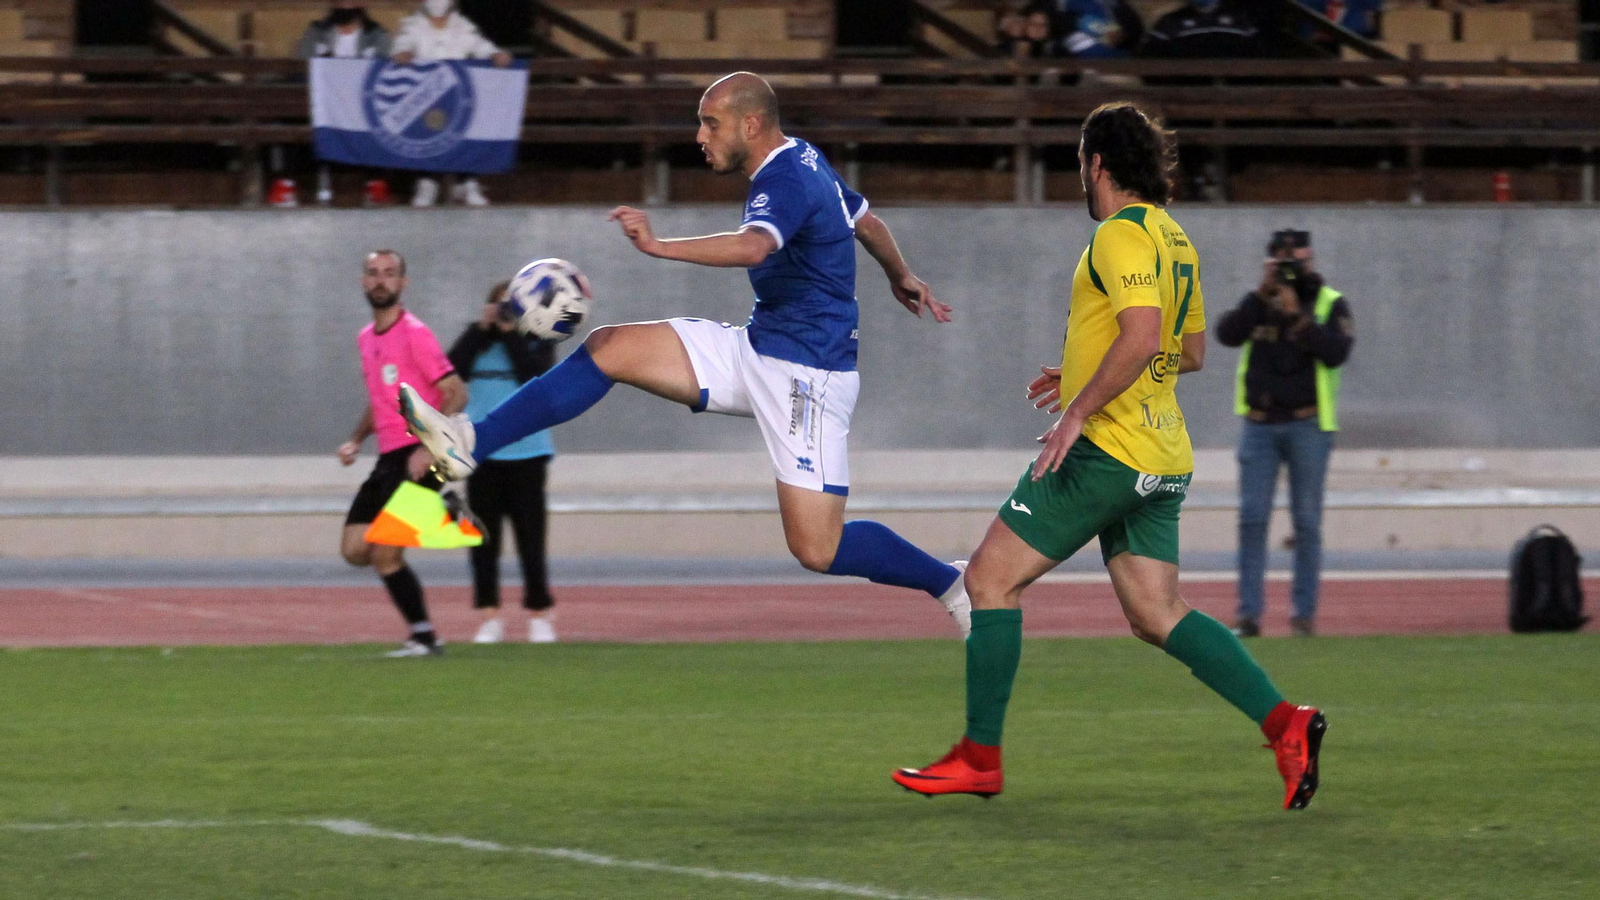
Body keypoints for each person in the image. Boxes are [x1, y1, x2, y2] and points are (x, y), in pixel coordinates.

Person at [397, 71, 975, 639]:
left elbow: (754, 248)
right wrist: (902, 274)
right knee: (608, 348)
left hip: (807, 377)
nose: (700, 136)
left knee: (818, 549)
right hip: (759, 347)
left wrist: (657, 245)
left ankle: (950, 585)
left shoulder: (786, 179)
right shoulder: (802, 156)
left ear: (752, 124)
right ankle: (471, 442)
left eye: (710, 123)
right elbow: (864, 219)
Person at [889, 102, 1327, 811]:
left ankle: (979, 756)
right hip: (1161, 454)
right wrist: (1083, 367)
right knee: (1158, 614)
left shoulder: (1119, 238)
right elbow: (1187, 351)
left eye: (1079, 163)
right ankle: (1287, 724)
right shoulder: (1174, 239)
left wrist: (1079, 410)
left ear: (1097, 163)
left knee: (989, 582)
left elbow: (1143, 335)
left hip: (1108, 451)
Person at [1215, 229, 1354, 638]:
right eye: (1284, 262)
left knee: (1307, 522)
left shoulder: (1329, 302)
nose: (1292, 270)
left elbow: (1336, 352)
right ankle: (1248, 614)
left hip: (1308, 424)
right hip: (1259, 425)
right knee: (1252, 518)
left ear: (1311, 260)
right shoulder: (1258, 303)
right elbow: (1227, 334)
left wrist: (1297, 317)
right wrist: (1262, 294)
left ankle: (1303, 616)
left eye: (1299, 261)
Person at [337, 249, 468, 657]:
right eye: (373, 273)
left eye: (389, 274)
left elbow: (455, 391)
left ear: (402, 283)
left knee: (386, 556)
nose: (380, 280)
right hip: (388, 458)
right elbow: (381, 401)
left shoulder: (414, 333)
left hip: (419, 457)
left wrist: (431, 447)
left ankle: (425, 638)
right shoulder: (365, 338)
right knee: (355, 549)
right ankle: (446, 509)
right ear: (363, 281)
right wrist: (357, 439)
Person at [447, 281, 560, 644]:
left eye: (510, 306)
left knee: (530, 538)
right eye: (499, 306)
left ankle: (540, 614)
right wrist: (481, 330)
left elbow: (535, 377)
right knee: (482, 539)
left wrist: (512, 333)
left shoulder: (537, 338)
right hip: (482, 453)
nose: (504, 312)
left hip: (528, 452)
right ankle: (489, 616)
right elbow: (450, 372)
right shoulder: (476, 338)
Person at [391, 0, 513, 207]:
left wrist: (495, 53)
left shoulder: (462, 25)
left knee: (464, 131)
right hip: (427, 99)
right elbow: (403, 44)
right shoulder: (413, 25)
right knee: (428, 135)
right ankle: (427, 182)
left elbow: (479, 45)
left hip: (458, 97)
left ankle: (466, 181)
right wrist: (403, 52)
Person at [296, 3, 394, 206]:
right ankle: (309, 182)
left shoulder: (376, 34)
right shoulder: (317, 31)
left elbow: (385, 70)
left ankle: (375, 183)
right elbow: (300, 62)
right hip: (325, 104)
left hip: (361, 105)